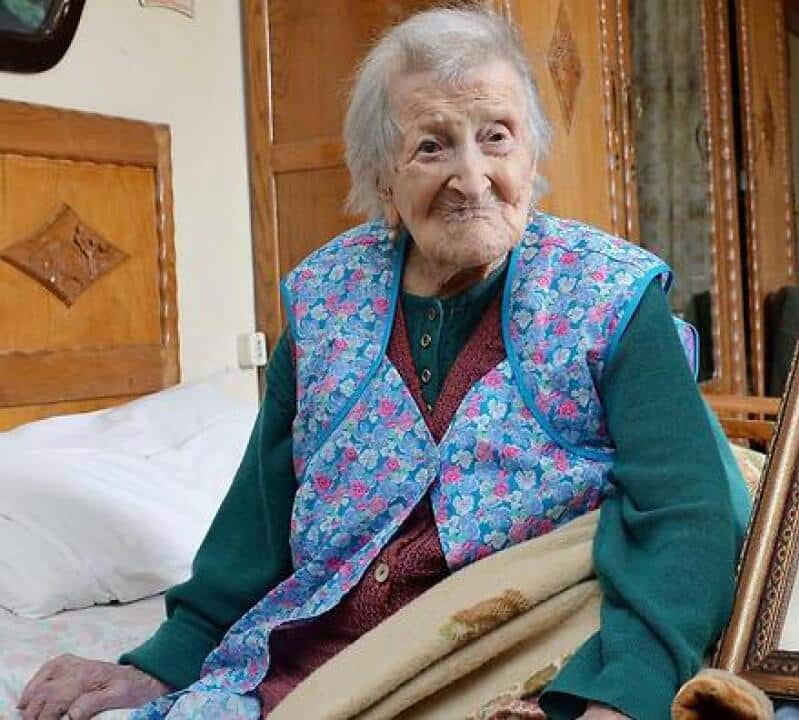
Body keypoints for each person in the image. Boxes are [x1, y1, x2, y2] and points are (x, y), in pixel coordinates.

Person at [17, 8, 747, 720]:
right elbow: (257, 523)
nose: (472, 178)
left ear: (531, 156)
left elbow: (689, 513)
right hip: (322, 659)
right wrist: (162, 662)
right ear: (381, 179)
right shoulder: (324, 300)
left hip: (518, 656)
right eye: (432, 147)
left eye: (496, 137)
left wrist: (624, 695)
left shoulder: (609, 295)